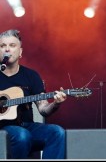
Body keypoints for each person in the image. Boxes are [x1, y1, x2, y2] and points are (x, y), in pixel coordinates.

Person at [0, 29, 67, 159]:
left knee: (57, 132)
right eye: (3, 46)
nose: (7, 49)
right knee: (22, 135)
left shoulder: (31, 76)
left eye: (12, 45)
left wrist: (55, 104)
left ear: (20, 52)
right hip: (3, 129)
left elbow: (43, 109)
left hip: (25, 126)